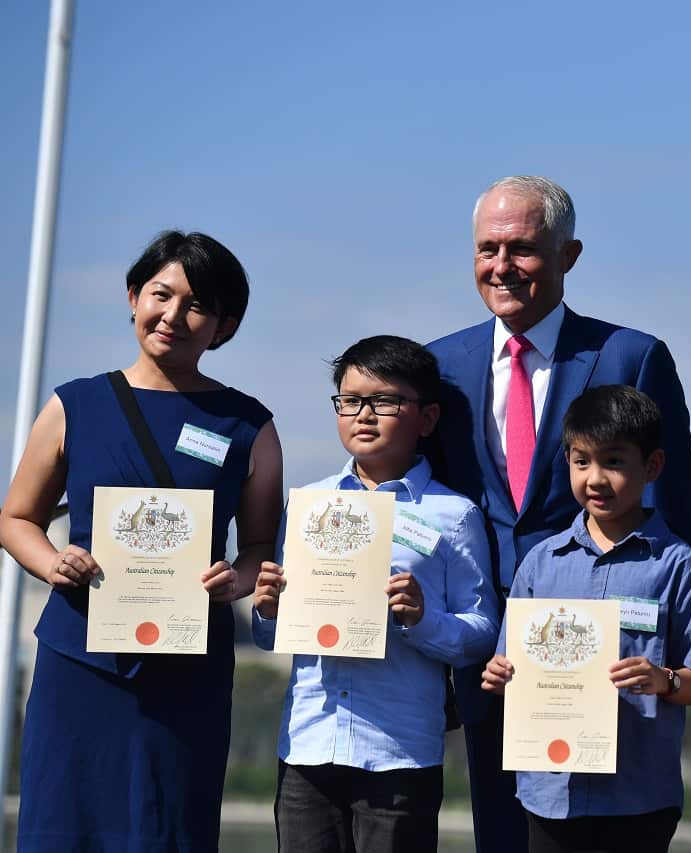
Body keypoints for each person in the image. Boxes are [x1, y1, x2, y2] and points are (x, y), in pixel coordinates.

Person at [426, 175, 691, 851]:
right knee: (502, 832)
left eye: (521, 248)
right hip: (487, 654)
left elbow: (676, 514)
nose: (501, 265)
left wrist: (669, 668)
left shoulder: (631, 356)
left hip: (607, 662)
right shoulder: (439, 364)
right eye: (487, 248)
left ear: (568, 255)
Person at [0, 231, 283, 851]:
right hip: (79, 660)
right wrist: (52, 563)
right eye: (161, 294)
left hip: (188, 670)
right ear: (134, 297)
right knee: (62, 826)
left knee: (170, 826)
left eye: (198, 305)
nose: (174, 316)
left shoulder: (249, 424)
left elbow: (262, 546)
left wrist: (234, 580)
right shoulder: (74, 404)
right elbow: (16, 519)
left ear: (224, 325)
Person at [252, 335, 499, 853]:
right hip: (308, 744)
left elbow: (480, 635)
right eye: (349, 401)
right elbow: (272, 634)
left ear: (427, 418)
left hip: (399, 752)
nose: (363, 415)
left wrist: (423, 618)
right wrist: (267, 609)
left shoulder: (453, 515)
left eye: (385, 401)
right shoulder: (308, 505)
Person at [480, 385, 691, 853]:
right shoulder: (540, 562)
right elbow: (509, 663)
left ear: (652, 466)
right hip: (551, 790)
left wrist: (664, 679)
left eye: (613, 462)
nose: (595, 478)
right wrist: (499, 673)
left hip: (640, 794)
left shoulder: (678, 565)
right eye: (581, 461)